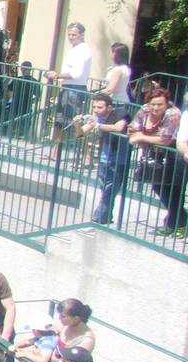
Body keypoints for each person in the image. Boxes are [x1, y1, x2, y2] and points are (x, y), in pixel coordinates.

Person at [127, 84, 186, 235]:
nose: (155, 107)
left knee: (173, 191)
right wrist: (143, 136)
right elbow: (132, 129)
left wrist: (142, 137)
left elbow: (165, 139)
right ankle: (178, 221)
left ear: (167, 103)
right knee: (158, 186)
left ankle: (177, 223)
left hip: (175, 157)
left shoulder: (173, 113)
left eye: (160, 104)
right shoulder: (145, 109)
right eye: (153, 104)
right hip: (155, 157)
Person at [12, 298, 96, 362]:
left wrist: (34, 355)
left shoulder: (86, 340)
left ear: (76, 318)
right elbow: (42, 337)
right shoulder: (63, 325)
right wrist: (18, 346)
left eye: (63, 316)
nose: (59, 318)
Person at [88, 91, 131, 225]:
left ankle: (98, 218)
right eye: (94, 107)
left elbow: (118, 128)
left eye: (99, 107)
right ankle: (106, 217)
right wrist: (78, 123)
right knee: (105, 190)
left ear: (109, 107)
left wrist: (98, 126)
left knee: (109, 190)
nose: (96, 110)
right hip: (104, 159)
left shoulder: (120, 113)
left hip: (118, 160)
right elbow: (80, 132)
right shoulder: (97, 118)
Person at [52, 22, 93, 149]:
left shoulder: (82, 50)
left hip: (74, 90)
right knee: (61, 122)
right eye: (69, 34)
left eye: (74, 35)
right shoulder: (75, 49)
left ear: (82, 35)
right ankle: (55, 152)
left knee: (73, 123)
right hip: (68, 88)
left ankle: (85, 153)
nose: (70, 37)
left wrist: (57, 75)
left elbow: (76, 73)